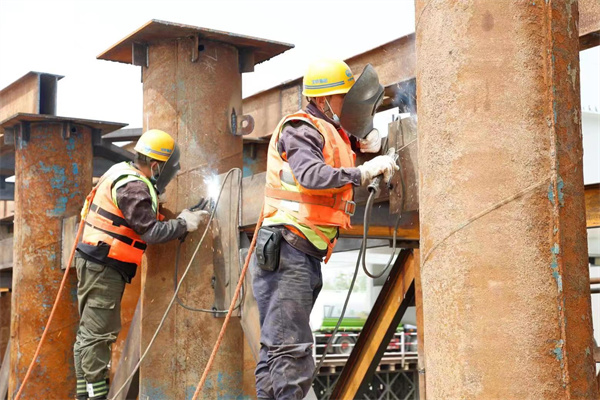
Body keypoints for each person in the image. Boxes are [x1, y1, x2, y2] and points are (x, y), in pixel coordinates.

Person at [251, 59, 398, 399]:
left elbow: (336, 148)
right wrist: (362, 173)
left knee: (277, 346)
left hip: (299, 251)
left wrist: (362, 143)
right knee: (290, 347)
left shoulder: (325, 129)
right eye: (340, 98)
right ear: (321, 101)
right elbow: (312, 175)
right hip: (288, 249)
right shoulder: (300, 129)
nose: (346, 104)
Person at [72, 129, 206, 400]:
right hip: (104, 264)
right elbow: (151, 232)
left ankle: (84, 395)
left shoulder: (123, 172)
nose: (173, 174)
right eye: (171, 169)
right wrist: (183, 224)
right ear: (156, 166)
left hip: (98, 261)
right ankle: (95, 396)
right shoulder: (134, 187)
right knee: (99, 334)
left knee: (88, 334)